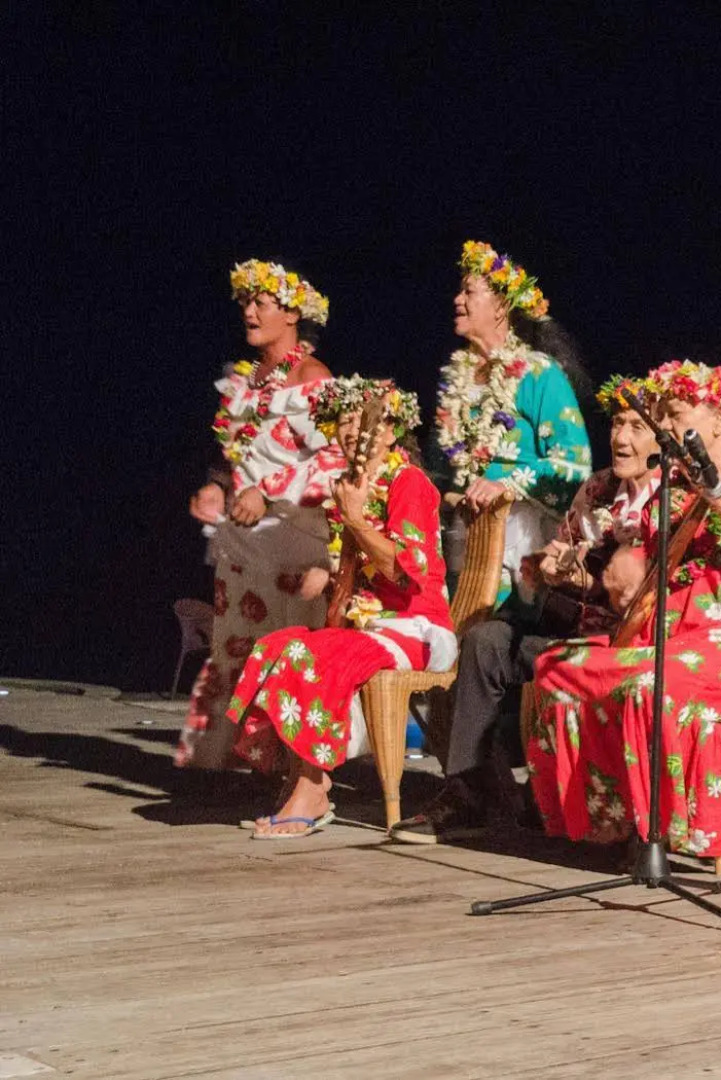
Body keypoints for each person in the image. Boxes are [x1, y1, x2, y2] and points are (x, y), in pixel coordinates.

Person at [524, 360, 721, 861]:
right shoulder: (669, 490)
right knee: (557, 667)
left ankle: (675, 831)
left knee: (653, 683)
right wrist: (613, 574)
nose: (662, 426)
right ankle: (612, 821)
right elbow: (635, 585)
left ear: (718, 419)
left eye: (674, 413)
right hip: (666, 637)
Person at [388, 372, 669, 843]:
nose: (620, 437)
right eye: (617, 424)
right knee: (486, 640)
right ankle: (470, 793)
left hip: (629, 639)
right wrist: (547, 569)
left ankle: (548, 799)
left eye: (636, 427)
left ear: (661, 437)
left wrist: (588, 580)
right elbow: (565, 561)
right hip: (576, 626)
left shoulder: (670, 497)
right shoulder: (597, 489)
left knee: (542, 658)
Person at [225, 378, 455, 837]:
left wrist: (354, 520)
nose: (351, 430)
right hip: (368, 630)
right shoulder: (349, 483)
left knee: (313, 655)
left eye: (364, 420)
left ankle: (312, 788)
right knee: (277, 645)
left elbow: (405, 573)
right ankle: (300, 779)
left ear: (392, 431)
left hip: (417, 629)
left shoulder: (409, 482)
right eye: (344, 420)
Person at [178, 260, 337, 771]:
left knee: (284, 650)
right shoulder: (245, 382)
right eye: (245, 303)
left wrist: (268, 496)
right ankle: (236, 759)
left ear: (291, 313)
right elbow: (236, 458)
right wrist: (217, 487)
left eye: (260, 303)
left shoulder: (312, 377)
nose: (248, 312)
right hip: (245, 543)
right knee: (236, 643)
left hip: (296, 541)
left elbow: (333, 462)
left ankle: (293, 766)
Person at [434, 240, 593, 603]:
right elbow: (446, 464)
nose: (458, 300)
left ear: (502, 306)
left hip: (520, 531)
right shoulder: (456, 380)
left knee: (494, 637)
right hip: (464, 531)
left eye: (469, 291)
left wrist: (508, 485)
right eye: (459, 290)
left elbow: (574, 463)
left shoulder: (537, 373)